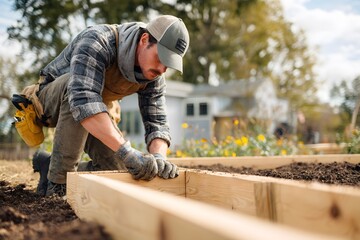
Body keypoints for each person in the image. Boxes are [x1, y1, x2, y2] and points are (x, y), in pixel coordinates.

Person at [27, 15, 190, 197]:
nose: (162, 69)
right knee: (74, 89)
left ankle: (49, 166)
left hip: (95, 111)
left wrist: (159, 157)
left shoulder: (154, 75)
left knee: (119, 170)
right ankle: (58, 184)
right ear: (144, 40)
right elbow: (84, 99)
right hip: (50, 101)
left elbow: (157, 121)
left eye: (168, 65)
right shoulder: (98, 41)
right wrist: (127, 151)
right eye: (160, 58)